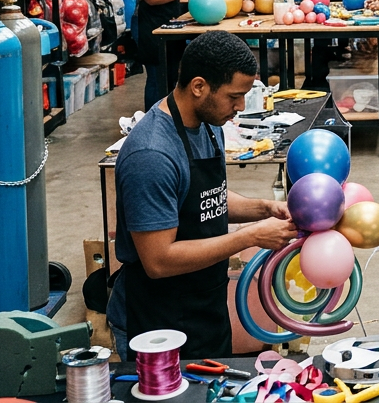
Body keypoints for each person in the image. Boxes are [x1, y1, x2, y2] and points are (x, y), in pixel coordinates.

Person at [108, 31, 298, 360]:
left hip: (206, 305)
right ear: (199, 86)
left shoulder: (208, 124)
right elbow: (158, 261)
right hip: (158, 320)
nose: (240, 107)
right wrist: (250, 236)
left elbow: (206, 200)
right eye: (234, 96)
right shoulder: (152, 155)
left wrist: (265, 208)